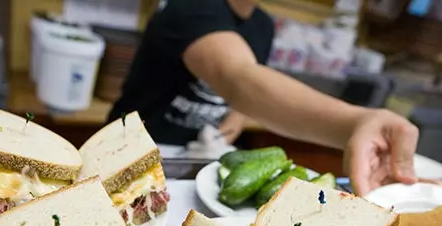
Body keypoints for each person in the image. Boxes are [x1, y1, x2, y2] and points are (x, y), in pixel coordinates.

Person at [107, 0, 419, 196]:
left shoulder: (262, 25)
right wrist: (356, 122)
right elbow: (240, 79)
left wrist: (239, 115)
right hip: (131, 151)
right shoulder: (189, 8)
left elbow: (253, 80)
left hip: (200, 157)